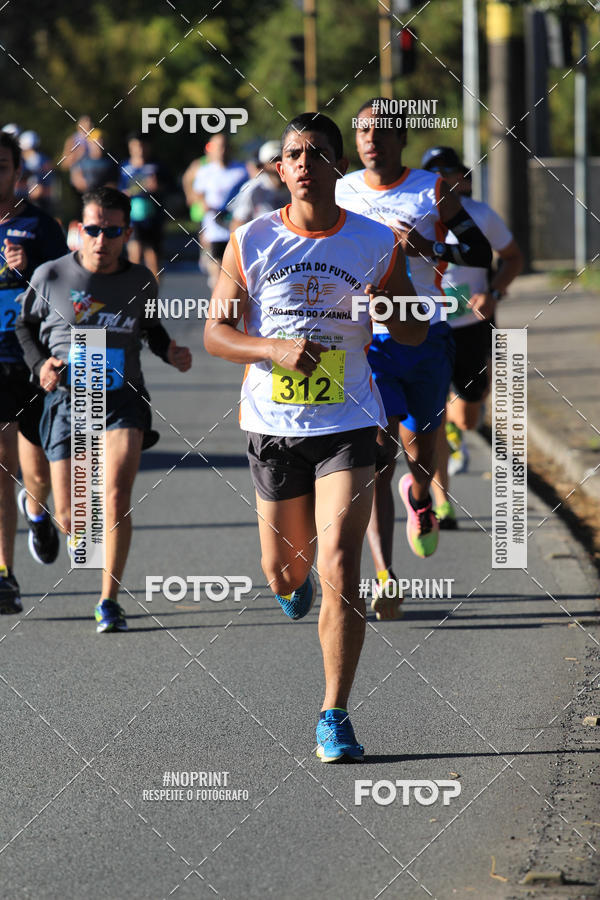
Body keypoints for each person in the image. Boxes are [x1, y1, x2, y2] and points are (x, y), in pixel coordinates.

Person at [204, 112, 426, 762]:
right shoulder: (251, 240)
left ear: (337, 167)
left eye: (317, 153)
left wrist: (391, 307)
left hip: (349, 424)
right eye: (294, 153)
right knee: (285, 570)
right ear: (282, 168)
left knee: (339, 568)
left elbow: (412, 329)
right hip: (273, 428)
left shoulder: (373, 241)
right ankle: (287, 586)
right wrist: (272, 348)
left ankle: (335, 713)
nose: (304, 163)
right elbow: (217, 334)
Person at [336, 98, 492, 619]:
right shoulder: (343, 190)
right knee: (377, 451)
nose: (370, 139)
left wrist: (429, 250)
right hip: (366, 342)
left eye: (380, 131)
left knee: (418, 452)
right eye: (362, 131)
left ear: (402, 139)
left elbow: (479, 252)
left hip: (426, 337)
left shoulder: (431, 189)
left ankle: (420, 491)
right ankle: (384, 574)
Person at [15, 186, 192, 632]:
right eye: (93, 229)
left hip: (121, 399)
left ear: (126, 233)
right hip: (67, 399)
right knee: (74, 518)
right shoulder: (52, 275)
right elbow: (24, 326)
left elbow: (150, 328)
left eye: (112, 231)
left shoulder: (140, 280)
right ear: (79, 229)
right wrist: (41, 365)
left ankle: (109, 600)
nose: (101, 239)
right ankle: (45, 512)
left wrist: (170, 350)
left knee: (114, 497)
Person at [420, 147, 524, 526]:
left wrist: (492, 293)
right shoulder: (419, 213)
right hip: (428, 326)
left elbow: (514, 257)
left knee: (466, 416)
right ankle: (440, 503)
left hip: (472, 325)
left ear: (464, 178)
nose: (444, 178)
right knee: (429, 422)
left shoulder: (480, 214)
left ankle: (452, 421)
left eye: (451, 171)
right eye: (435, 172)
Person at [0, 130, 68, 614]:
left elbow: (68, 292)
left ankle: (36, 510)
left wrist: (32, 269)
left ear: (16, 174)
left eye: (1, 167)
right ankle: (5, 572)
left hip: (28, 357)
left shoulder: (39, 228)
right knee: (3, 464)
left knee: (33, 468)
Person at [190, 132, 247, 288]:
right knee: (217, 269)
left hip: (235, 227)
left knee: (234, 271)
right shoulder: (205, 171)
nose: (221, 151)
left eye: (224, 147)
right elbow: (197, 193)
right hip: (213, 227)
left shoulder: (242, 170)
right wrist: (203, 205)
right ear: (212, 149)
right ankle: (218, 305)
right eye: (218, 147)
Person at [119, 133, 168, 280]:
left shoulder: (157, 166)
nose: (139, 149)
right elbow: (119, 188)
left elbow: (169, 187)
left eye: (142, 146)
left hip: (153, 217)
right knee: (135, 254)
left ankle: (153, 297)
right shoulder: (124, 166)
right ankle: (133, 296)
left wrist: (157, 187)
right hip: (132, 217)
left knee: (153, 258)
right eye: (135, 146)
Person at [229, 140, 289, 229]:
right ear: (263, 165)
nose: (279, 164)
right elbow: (238, 222)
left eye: (282, 159)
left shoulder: (294, 186)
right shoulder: (252, 188)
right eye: (274, 160)